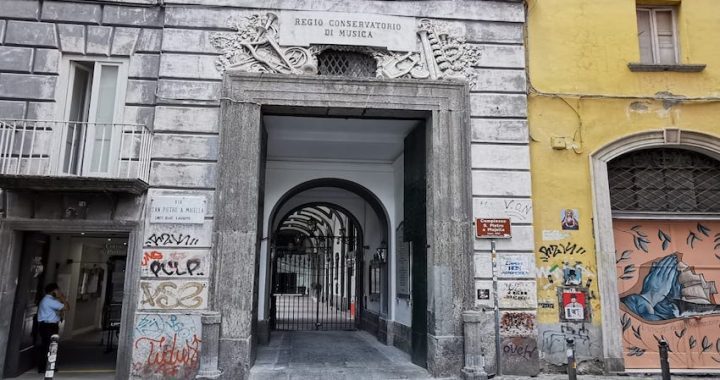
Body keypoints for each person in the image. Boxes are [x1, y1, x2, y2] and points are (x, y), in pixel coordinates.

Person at [37, 283, 68, 373]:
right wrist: (62, 298)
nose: (59, 292)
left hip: (48, 325)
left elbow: (61, 310)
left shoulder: (49, 300)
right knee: (48, 346)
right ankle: (45, 367)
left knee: (49, 346)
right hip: (48, 326)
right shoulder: (49, 300)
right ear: (53, 291)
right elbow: (66, 307)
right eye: (57, 290)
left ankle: (48, 365)